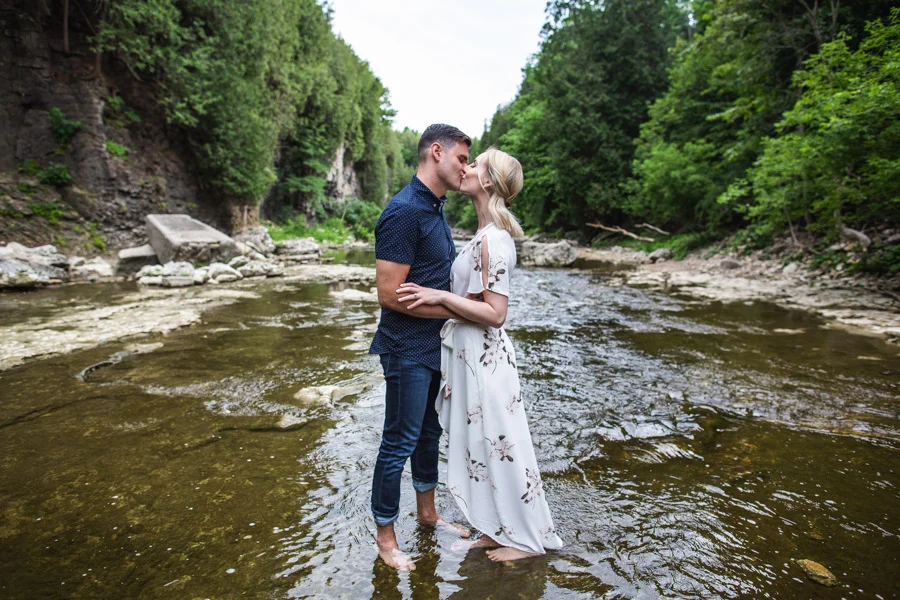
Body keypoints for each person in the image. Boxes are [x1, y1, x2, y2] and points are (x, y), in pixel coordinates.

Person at [397, 147, 564, 561]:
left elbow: (496, 314)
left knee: (500, 445)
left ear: (487, 181)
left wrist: (439, 296)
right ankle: (494, 529)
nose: (466, 168)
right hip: (469, 354)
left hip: (485, 358)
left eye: (474, 164)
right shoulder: (484, 234)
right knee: (482, 446)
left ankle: (526, 541)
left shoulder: (494, 240)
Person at [369, 123, 473, 571]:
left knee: (429, 435)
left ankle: (428, 514)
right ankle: (386, 537)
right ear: (436, 152)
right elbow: (389, 294)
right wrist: (456, 309)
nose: (465, 168)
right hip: (405, 347)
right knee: (399, 440)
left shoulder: (434, 208)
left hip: (434, 346)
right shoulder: (404, 210)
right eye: (461, 158)